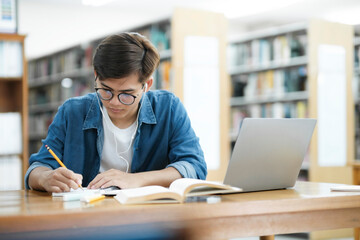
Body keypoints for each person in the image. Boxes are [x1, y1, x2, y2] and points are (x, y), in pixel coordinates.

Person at [25, 32, 207, 192]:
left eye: (127, 94)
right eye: (105, 90)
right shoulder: (72, 111)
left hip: (151, 217)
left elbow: (194, 167)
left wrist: (136, 179)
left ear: (147, 85)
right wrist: (45, 178)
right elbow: (38, 167)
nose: (113, 102)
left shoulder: (168, 108)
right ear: (96, 75)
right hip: (85, 216)